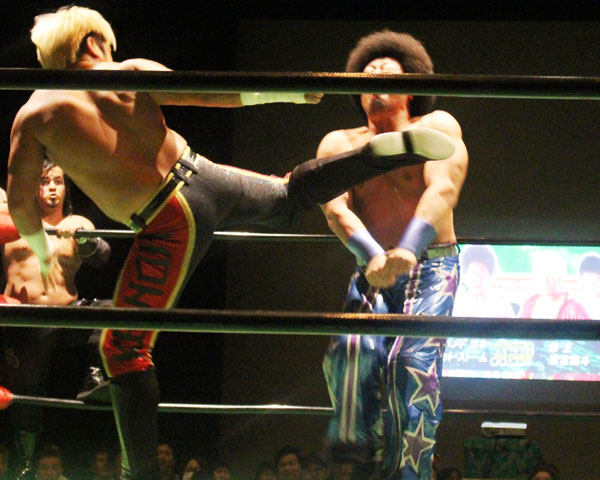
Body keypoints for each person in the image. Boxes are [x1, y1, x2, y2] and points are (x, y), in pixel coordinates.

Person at [7, 7, 455, 480]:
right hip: (200, 172)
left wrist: (42, 253)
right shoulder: (128, 73)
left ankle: (137, 475)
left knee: (121, 350)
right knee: (286, 195)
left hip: (167, 217)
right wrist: (289, 93)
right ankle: (368, 158)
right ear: (93, 43)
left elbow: (20, 203)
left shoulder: (34, 116)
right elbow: (211, 91)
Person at [319, 30, 468, 480]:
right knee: (350, 351)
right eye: (368, 71)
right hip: (372, 265)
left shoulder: (436, 126)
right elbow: (335, 208)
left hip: (432, 263)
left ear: (410, 86)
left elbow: (443, 189)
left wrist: (408, 247)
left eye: (387, 69)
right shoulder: (339, 143)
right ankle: (357, 459)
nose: (376, 73)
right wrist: (372, 255)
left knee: (411, 365)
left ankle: (409, 473)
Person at [0, 162, 110, 479]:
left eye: (58, 181)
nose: (51, 187)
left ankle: (94, 373)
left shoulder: (77, 223)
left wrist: (85, 241)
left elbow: (102, 254)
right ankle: (25, 462)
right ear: (32, 187)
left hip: (66, 313)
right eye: (44, 181)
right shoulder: (12, 220)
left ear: (65, 189)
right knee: (27, 393)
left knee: (113, 311)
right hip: (24, 318)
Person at [518, 250, 589, 320]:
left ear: (560, 278)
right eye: (541, 276)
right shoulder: (529, 304)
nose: (546, 281)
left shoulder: (574, 308)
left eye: (551, 277)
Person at [452, 245, 515, 318]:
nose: (478, 279)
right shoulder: (456, 305)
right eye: (474, 273)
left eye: (483, 274)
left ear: (490, 276)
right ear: (465, 275)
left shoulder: (502, 308)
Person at [577, 252, 600, 319]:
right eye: (587, 279)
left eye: (597, 278)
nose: (592, 284)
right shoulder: (575, 307)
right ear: (581, 281)